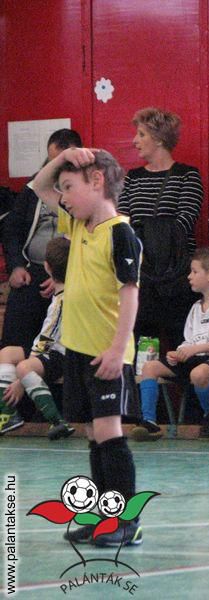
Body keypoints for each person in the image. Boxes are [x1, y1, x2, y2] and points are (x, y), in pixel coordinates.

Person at [29, 147, 143, 547]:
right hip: (77, 351)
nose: (62, 196)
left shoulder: (120, 233)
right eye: (62, 189)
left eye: (69, 187)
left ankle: (128, 521)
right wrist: (64, 158)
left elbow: (130, 294)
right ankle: (102, 517)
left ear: (97, 182)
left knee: (109, 431)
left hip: (107, 353)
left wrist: (117, 349)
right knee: (93, 433)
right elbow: (39, 185)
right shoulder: (77, 225)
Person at [131, 247, 209, 442]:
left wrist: (192, 350)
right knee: (150, 367)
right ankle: (149, 422)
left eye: (194, 271)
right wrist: (180, 352)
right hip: (195, 357)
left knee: (198, 374)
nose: (189, 276)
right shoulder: (195, 307)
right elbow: (189, 339)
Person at [118, 107, 203, 352]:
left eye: (141, 134)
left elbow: (184, 222)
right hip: (141, 276)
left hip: (177, 277)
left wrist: (143, 231)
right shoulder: (132, 177)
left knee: (181, 345)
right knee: (143, 348)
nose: (135, 141)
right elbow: (122, 223)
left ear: (158, 138)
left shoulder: (187, 175)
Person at [1, 129, 81, 353]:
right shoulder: (35, 185)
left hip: (72, 273)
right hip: (33, 269)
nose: (55, 166)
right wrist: (16, 266)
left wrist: (63, 276)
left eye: (61, 160)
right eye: (51, 160)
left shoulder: (84, 189)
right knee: (14, 337)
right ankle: (12, 365)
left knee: (60, 340)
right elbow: (12, 228)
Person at [0, 237, 74, 439]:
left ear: (47, 267)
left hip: (64, 355)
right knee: (7, 353)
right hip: (52, 350)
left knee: (24, 368)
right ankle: (7, 414)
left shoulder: (64, 300)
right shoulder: (59, 294)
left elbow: (47, 338)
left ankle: (57, 421)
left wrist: (20, 382)